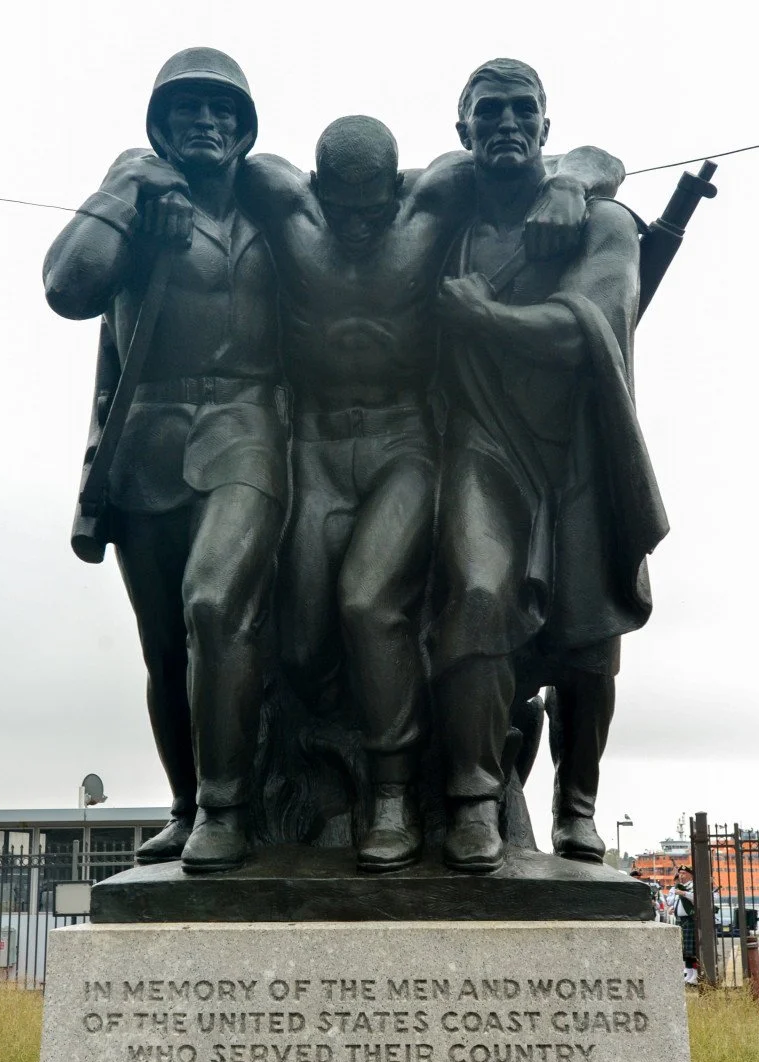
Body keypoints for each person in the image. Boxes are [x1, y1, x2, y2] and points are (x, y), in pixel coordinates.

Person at [239, 120, 623, 871]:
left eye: (371, 208)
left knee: (367, 602)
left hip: (401, 443)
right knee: (301, 641)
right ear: (315, 193)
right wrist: (130, 183)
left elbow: (577, 158)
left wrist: (573, 181)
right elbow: (181, 165)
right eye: (341, 209)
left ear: (399, 189)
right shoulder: (279, 198)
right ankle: (297, 792)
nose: (357, 225)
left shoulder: (436, 194)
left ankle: (395, 793)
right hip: (314, 450)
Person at [43, 48, 287, 872]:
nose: (206, 123)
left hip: (250, 429)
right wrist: (125, 185)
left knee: (215, 608)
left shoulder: (275, 208)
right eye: (187, 111)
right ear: (158, 128)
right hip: (148, 441)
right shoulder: (136, 205)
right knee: (163, 644)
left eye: (222, 111)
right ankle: (187, 806)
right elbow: (66, 289)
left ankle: (227, 808)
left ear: (245, 129)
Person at [432, 58, 668, 872]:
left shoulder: (603, 224)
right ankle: (471, 796)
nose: (505, 124)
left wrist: (486, 318)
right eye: (487, 111)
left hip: (578, 445)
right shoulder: (445, 208)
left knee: (588, 640)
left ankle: (577, 804)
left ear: (544, 126)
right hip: (482, 441)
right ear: (462, 131)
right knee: (477, 590)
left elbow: (587, 325)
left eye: (521, 111)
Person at [673, 866, 698, 984]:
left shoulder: (693, 886)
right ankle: (689, 974)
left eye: (683, 873)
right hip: (682, 920)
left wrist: (683, 893)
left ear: (690, 875)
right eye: (680, 873)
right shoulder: (681, 887)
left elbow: (696, 899)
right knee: (686, 950)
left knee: (692, 949)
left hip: (690, 919)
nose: (681, 876)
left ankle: (696, 974)